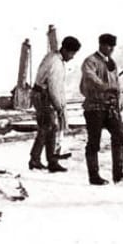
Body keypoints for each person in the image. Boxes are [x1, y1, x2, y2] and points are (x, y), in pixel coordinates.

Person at [80, 34, 123, 185]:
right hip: (94, 108)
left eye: (113, 46)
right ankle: (94, 176)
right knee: (94, 142)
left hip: (111, 108)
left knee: (119, 137)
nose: (111, 49)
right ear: (101, 45)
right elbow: (90, 78)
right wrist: (105, 88)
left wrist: (120, 100)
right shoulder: (90, 62)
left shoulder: (112, 62)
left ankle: (118, 174)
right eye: (108, 46)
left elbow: (117, 84)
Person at [30, 35, 80, 172]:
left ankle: (49, 160)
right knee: (48, 126)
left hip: (39, 93)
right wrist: (59, 107)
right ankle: (38, 159)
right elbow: (54, 89)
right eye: (72, 53)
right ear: (66, 50)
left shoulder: (53, 56)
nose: (72, 57)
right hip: (43, 96)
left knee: (49, 127)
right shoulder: (56, 63)